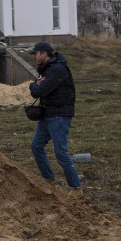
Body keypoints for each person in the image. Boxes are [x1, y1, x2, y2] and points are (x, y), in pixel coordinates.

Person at [27, 41, 82, 197]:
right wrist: (35, 85)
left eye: (35, 54)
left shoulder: (57, 69)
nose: (34, 57)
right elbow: (37, 90)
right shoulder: (47, 69)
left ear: (44, 54)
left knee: (61, 152)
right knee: (36, 145)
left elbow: (40, 91)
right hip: (48, 114)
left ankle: (76, 188)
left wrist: (33, 85)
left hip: (59, 115)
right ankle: (48, 178)